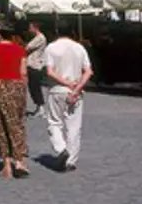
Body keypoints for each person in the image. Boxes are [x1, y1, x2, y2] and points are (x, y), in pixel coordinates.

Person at [0, 22, 30, 179]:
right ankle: (20, 161)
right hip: (17, 86)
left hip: (0, 86)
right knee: (17, 124)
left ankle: (7, 165)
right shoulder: (20, 49)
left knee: (1, 125)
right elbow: (23, 72)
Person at [45, 22, 93, 172]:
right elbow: (88, 71)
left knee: (54, 122)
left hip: (57, 89)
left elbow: (50, 72)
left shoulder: (51, 48)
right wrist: (77, 87)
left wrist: (66, 83)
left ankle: (61, 149)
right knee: (74, 126)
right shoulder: (79, 48)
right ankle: (71, 160)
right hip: (76, 91)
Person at [25, 21, 48, 116]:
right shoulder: (36, 38)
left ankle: (41, 107)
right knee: (32, 86)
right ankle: (38, 107)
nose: (29, 30)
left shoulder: (40, 38)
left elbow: (28, 48)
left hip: (35, 65)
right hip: (32, 64)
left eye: (30, 28)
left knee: (35, 87)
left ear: (35, 28)